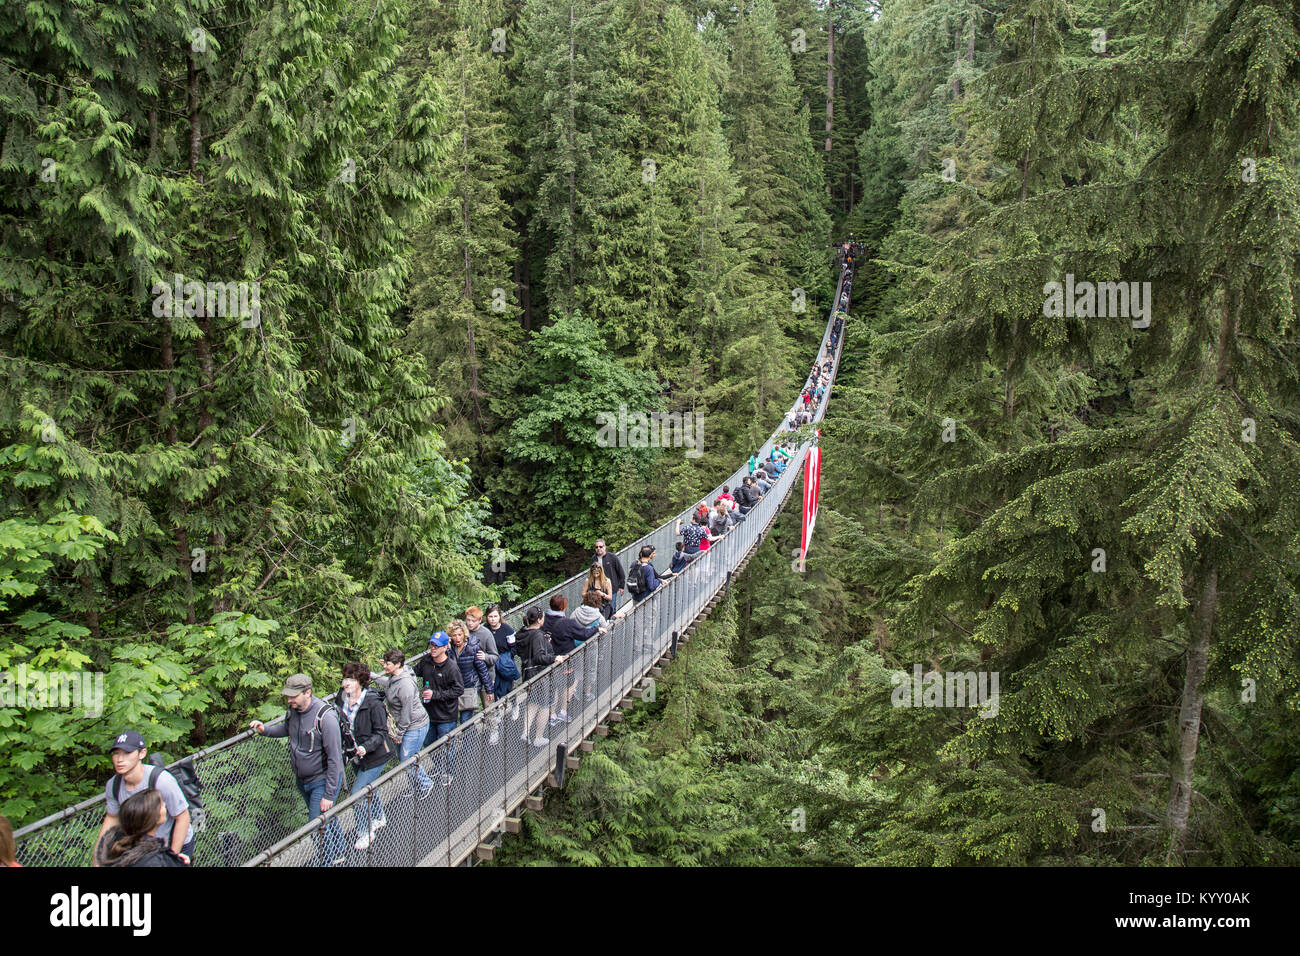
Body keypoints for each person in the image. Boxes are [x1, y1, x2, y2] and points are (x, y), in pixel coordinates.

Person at [250, 673, 347, 866]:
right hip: (303, 780)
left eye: (293, 696)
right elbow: (287, 730)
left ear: (307, 693)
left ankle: (327, 862)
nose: (289, 700)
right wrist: (265, 730)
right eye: (288, 696)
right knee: (326, 817)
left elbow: (335, 759)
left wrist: (329, 794)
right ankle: (340, 851)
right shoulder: (293, 711)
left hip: (322, 780)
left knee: (315, 826)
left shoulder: (325, 717)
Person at [96, 730, 193, 866]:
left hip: (175, 841)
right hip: (144, 846)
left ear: (142, 753)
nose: (120, 759)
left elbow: (182, 817)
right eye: (116, 753)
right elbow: (111, 819)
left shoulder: (162, 781)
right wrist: (98, 860)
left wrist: (171, 858)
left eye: (127, 753)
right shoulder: (113, 785)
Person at [335, 662, 391, 850]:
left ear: (360, 681)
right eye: (345, 679)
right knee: (368, 787)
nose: (346, 683)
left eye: (350, 679)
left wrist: (366, 747)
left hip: (374, 756)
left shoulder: (373, 703)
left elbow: (381, 732)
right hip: (354, 754)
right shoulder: (342, 697)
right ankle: (379, 816)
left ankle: (364, 832)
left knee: (357, 795)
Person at [370, 649, 434, 798]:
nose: (384, 666)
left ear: (398, 664)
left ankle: (426, 783)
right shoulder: (395, 676)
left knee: (407, 759)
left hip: (414, 725)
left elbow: (407, 712)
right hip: (405, 724)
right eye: (384, 663)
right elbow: (388, 684)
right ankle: (415, 786)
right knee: (405, 758)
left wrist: (400, 732)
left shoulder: (405, 685)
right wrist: (373, 676)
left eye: (388, 664)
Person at [542, 593, 601, 723]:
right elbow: (584, 634)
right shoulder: (567, 623)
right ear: (563, 607)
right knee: (568, 684)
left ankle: (552, 715)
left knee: (555, 686)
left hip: (550, 658)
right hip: (566, 658)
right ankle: (562, 711)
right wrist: (597, 628)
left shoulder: (543, 620)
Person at [94, 790, 187, 868]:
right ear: (155, 817)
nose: (165, 805)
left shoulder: (113, 846)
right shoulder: (156, 860)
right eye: (162, 804)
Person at [515, 607, 565, 747]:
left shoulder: (522, 632)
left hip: (527, 672)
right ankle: (538, 737)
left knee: (532, 703)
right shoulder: (537, 635)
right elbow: (538, 657)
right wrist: (554, 658)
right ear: (539, 619)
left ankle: (525, 733)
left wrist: (544, 641)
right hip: (540, 674)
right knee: (544, 704)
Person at [415, 632, 465, 749]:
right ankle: (439, 767)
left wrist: (435, 695)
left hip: (446, 717)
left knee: (446, 749)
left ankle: (448, 768)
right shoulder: (426, 661)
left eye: (436, 646)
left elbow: (459, 689)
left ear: (444, 647)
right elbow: (413, 672)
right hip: (428, 715)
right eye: (431, 645)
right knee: (429, 746)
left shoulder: (451, 668)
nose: (433, 649)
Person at [448, 620, 494, 724]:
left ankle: (469, 739)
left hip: (470, 686)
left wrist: (489, 690)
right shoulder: (449, 649)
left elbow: (482, 670)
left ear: (464, 634)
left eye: (460, 634)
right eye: (454, 635)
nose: (457, 638)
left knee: (466, 719)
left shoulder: (472, 647)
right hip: (454, 687)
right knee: (453, 719)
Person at [571, 589, 609, 701]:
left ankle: (574, 689)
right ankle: (587, 693)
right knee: (591, 669)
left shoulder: (576, 612)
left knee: (578, 669)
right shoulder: (597, 615)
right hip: (592, 645)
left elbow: (570, 624)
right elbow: (604, 627)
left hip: (577, 645)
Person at [485, 604, 519, 701]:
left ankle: (513, 702)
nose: (493, 619)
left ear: (499, 616)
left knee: (507, 687)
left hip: (505, 663)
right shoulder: (485, 629)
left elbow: (514, 647)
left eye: (495, 616)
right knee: (495, 687)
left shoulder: (507, 629)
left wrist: (507, 658)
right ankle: (498, 711)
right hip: (491, 663)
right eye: (490, 617)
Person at [592, 539, 626, 617]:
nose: (598, 548)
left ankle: (612, 624)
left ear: (605, 547)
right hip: (598, 588)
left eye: (600, 546)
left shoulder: (612, 557)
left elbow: (620, 571)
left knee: (611, 607)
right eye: (596, 547)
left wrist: (621, 586)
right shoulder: (594, 558)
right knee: (599, 608)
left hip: (612, 587)